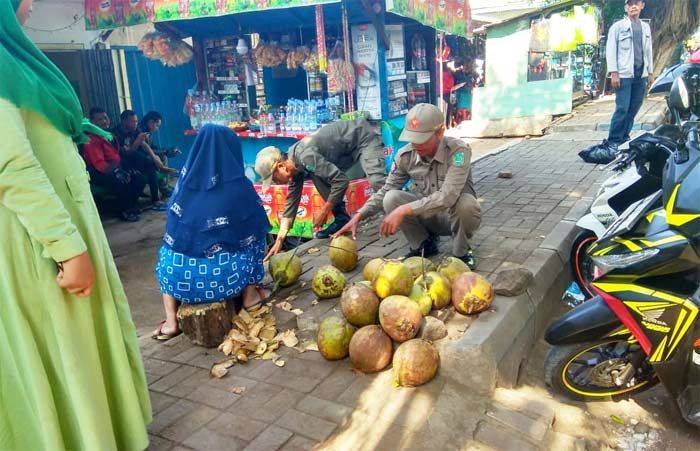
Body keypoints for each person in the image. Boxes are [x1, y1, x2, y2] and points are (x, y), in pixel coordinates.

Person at [0, 1, 151, 449]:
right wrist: (65, 246)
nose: (28, 5)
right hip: (40, 247)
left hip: (62, 235)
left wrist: (77, 125)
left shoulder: (16, 60)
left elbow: (34, 122)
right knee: (67, 349)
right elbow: (9, 166)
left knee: (84, 346)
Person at [152, 125, 270, 340]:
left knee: (168, 251)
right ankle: (250, 297)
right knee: (257, 231)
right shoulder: (239, 185)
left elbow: (172, 233)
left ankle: (171, 321)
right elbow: (259, 225)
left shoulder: (183, 185)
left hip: (179, 282)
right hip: (227, 280)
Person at [335, 103, 481, 269]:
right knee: (391, 198)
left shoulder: (458, 152)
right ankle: (423, 244)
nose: (415, 144)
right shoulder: (405, 155)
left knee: (466, 204)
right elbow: (386, 190)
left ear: (440, 132)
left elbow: (447, 196)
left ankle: (461, 252)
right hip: (428, 216)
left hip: (454, 218)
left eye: (421, 139)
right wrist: (359, 215)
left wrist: (403, 210)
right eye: (412, 138)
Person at [255, 118, 387, 258]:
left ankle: (398, 214)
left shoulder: (305, 157)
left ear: (281, 167)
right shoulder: (294, 164)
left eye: (274, 179)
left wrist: (324, 212)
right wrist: (279, 241)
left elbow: (341, 181)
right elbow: (291, 203)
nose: (276, 183)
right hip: (345, 152)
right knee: (317, 173)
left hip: (363, 137)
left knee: (377, 182)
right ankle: (342, 218)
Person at [592, 0, 654, 155]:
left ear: (642, 6)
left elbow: (648, 51)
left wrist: (651, 73)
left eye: (636, 3)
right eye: (630, 4)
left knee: (634, 107)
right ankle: (613, 140)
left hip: (640, 75)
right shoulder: (618, 27)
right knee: (622, 108)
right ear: (626, 8)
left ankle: (624, 138)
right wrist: (614, 72)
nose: (633, 6)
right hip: (624, 75)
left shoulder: (645, 27)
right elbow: (611, 50)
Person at [82, 107, 145, 222]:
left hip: (114, 167)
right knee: (120, 181)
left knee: (138, 178)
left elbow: (119, 154)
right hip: (98, 172)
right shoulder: (90, 139)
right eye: (99, 120)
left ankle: (130, 205)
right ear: (92, 123)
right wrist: (116, 171)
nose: (104, 121)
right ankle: (123, 211)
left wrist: (125, 169)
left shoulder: (109, 135)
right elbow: (99, 163)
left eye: (105, 118)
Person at [113, 109, 176, 209]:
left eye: (136, 121)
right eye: (132, 121)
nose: (135, 124)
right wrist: (138, 141)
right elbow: (127, 153)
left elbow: (145, 146)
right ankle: (158, 191)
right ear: (124, 121)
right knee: (145, 161)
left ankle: (156, 200)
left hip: (135, 156)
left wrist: (155, 158)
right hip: (122, 160)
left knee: (151, 164)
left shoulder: (136, 130)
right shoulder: (116, 133)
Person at [139, 110, 181, 197]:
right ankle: (164, 187)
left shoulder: (147, 131)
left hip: (145, 155)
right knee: (163, 157)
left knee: (164, 155)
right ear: (150, 122)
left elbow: (154, 147)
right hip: (139, 158)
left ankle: (164, 185)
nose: (157, 128)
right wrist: (165, 152)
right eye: (157, 125)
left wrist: (169, 151)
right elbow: (145, 149)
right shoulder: (141, 131)